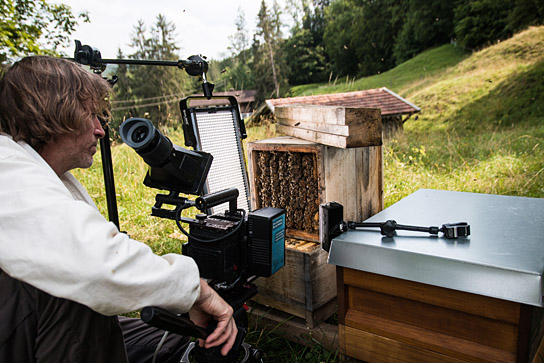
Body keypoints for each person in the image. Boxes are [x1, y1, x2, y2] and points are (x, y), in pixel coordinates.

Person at [0, 56, 237, 362]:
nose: (100, 130)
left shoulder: (46, 172)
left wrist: (179, 294)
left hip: (32, 325)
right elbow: (94, 263)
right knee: (78, 293)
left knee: (178, 339)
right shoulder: (6, 169)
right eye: (90, 115)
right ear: (55, 115)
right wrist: (198, 290)